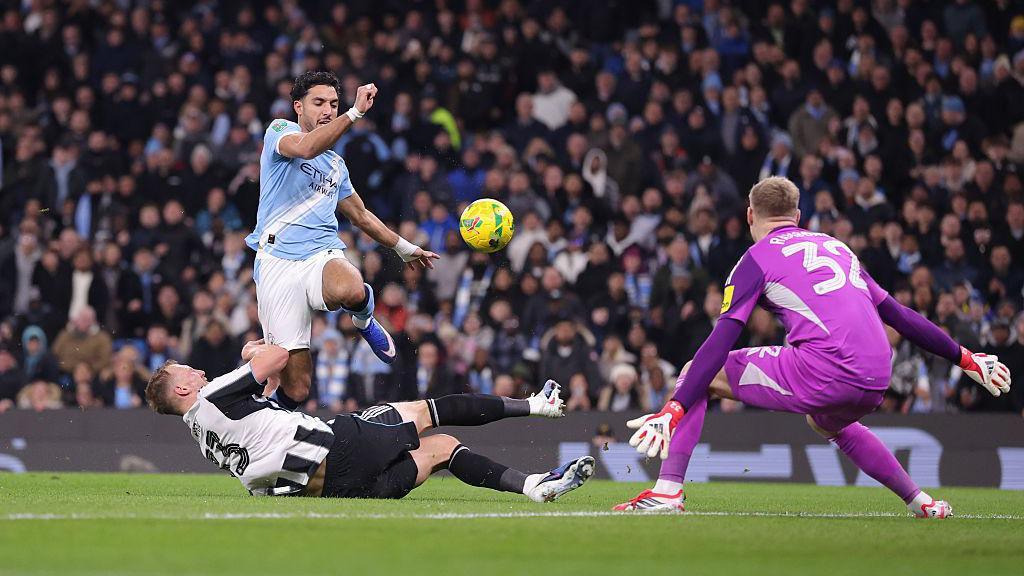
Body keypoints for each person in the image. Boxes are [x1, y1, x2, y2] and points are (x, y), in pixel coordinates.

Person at [614, 177, 1012, 518]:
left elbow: (723, 338)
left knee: (695, 373)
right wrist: (965, 357)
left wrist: (674, 406)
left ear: (751, 216)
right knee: (825, 422)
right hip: (878, 375)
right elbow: (900, 315)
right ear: (798, 217)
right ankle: (920, 501)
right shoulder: (838, 249)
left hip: (829, 369)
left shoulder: (755, 259)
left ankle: (667, 491)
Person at [144, 339, 593, 502]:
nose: (196, 370)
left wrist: (265, 373)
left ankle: (533, 487)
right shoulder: (214, 394)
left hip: (333, 488)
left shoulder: (201, 433)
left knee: (442, 450)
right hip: (337, 446)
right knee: (424, 412)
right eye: (187, 370)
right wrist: (251, 353)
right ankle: (537, 405)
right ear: (182, 389)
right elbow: (277, 356)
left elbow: (264, 407)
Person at [245, 70, 439, 410]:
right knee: (299, 388)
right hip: (276, 264)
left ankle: (363, 319)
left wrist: (405, 248)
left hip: (320, 254)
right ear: (298, 107)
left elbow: (361, 216)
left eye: (334, 104)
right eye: (318, 103)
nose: (327, 110)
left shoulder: (336, 165)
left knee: (351, 287)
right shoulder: (281, 131)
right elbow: (306, 149)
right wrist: (355, 113)